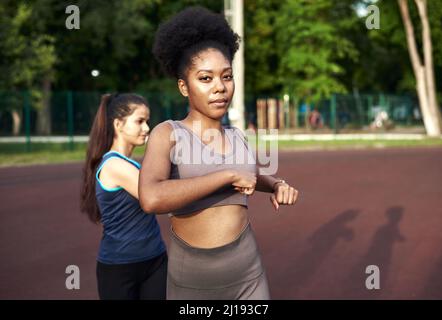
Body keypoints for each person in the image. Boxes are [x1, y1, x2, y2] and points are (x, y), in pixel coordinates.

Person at [139, 6, 299, 300]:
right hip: (192, 284)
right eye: (205, 78)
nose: (220, 88)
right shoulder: (168, 134)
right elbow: (151, 198)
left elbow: (250, 173)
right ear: (184, 87)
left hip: (248, 276)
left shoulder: (237, 136)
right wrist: (225, 175)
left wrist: (276, 184)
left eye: (226, 76)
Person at [80, 93, 167, 300]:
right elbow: (158, 197)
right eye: (140, 121)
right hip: (120, 267)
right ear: (119, 124)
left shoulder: (132, 165)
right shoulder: (113, 165)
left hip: (155, 259)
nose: (147, 128)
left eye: (147, 121)